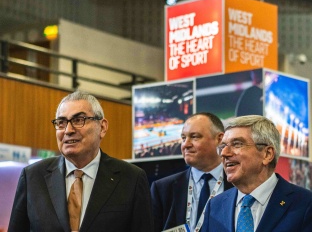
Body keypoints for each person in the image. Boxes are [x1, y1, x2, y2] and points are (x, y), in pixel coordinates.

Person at [8, 91, 153, 232]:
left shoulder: (132, 178)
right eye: (61, 122)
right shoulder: (33, 176)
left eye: (78, 120)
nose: (68, 130)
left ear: (102, 127)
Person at [202, 115, 312, 232]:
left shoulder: (306, 204)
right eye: (223, 146)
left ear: (267, 154)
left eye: (237, 144)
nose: (225, 153)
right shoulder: (215, 206)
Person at [151, 112, 233, 232]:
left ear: (219, 139)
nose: (186, 144)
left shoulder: (239, 183)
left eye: (195, 137)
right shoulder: (163, 188)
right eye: (183, 138)